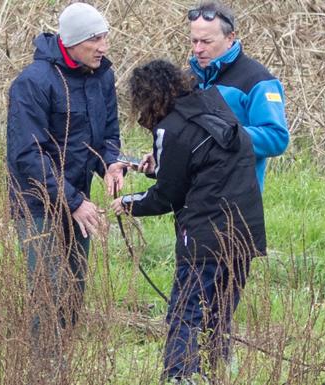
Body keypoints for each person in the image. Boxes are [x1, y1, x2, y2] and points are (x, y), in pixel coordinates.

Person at [111, 60, 266, 383]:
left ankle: (180, 376)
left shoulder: (170, 128)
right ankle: (217, 371)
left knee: (186, 310)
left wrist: (127, 204)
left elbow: (167, 196)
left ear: (147, 97)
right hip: (246, 230)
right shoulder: (212, 103)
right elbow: (205, 161)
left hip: (205, 234)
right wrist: (159, 166)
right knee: (220, 312)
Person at [6, 2, 124, 352]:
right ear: (72, 42)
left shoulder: (102, 74)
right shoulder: (33, 83)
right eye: (95, 39)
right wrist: (71, 200)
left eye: (105, 37)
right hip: (38, 203)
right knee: (48, 288)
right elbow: (27, 154)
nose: (103, 46)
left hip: (79, 199)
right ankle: (45, 367)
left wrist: (111, 164)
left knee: (74, 287)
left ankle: (63, 359)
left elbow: (109, 133)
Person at [187, 0, 289, 191]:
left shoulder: (258, 81)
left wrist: (224, 135)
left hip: (238, 200)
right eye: (194, 41)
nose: (198, 49)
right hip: (191, 202)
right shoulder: (188, 79)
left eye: (206, 42)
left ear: (230, 38)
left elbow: (277, 138)